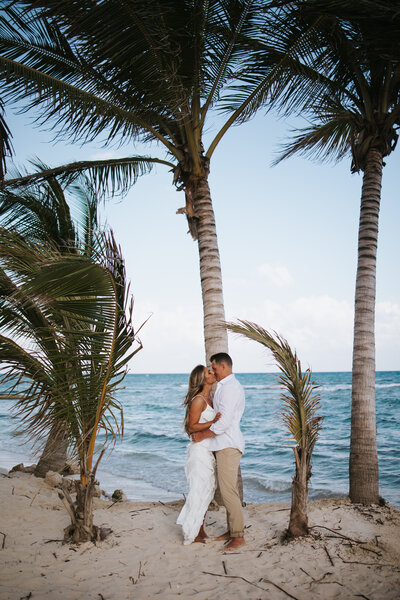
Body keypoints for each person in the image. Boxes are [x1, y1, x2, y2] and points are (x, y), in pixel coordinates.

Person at [192, 352, 245, 550]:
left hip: (228, 445)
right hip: (222, 444)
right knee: (227, 490)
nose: (212, 371)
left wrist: (202, 435)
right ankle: (232, 531)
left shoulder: (230, 388)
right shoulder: (223, 388)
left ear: (223, 367)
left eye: (214, 367)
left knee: (228, 491)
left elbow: (223, 423)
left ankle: (238, 536)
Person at [176, 364, 221, 545]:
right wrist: (213, 422)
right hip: (199, 452)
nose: (213, 373)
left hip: (208, 451)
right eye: (209, 372)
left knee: (207, 491)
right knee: (197, 491)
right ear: (202, 379)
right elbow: (191, 427)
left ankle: (199, 529)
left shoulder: (210, 397)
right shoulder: (199, 400)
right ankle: (191, 532)